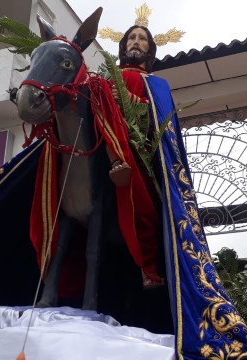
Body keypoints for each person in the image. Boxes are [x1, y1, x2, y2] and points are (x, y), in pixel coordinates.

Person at [105, 24, 165, 289]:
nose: (136, 42)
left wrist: (129, 99)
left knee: (146, 209)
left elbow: (160, 119)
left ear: (149, 48)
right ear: (124, 46)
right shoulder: (108, 79)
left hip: (140, 152)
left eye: (142, 39)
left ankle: (148, 269)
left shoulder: (156, 85)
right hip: (105, 143)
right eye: (131, 37)